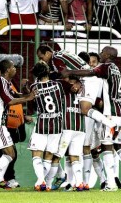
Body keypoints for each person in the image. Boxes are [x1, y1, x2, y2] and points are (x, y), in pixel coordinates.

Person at [61, 46, 121, 192]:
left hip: (111, 114)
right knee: (119, 146)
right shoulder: (115, 68)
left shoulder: (107, 67)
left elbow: (90, 72)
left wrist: (70, 72)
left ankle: (111, 183)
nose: (100, 54)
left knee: (107, 147)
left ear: (108, 55)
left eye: (102, 52)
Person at [0, 59, 34, 191]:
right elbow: (10, 101)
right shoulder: (1, 82)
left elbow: (15, 95)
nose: (15, 69)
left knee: (10, 153)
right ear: (7, 70)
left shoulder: (5, 83)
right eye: (13, 67)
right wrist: (28, 98)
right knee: (10, 153)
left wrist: (29, 94)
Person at [29, 61, 78, 191]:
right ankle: (47, 184)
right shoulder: (59, 84)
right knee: (49, 155)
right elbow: (74, 88)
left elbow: (32, 105)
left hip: (42, 123)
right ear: (48, 71)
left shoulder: (34, 86)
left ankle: (41, 180)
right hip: (56, 123)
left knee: (36, 154)